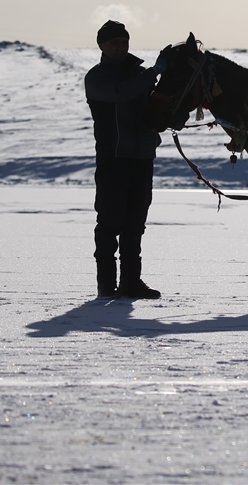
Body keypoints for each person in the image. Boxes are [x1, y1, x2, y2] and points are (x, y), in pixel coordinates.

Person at [85, 20, 168, 299]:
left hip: (142, 158)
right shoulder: (97, 77)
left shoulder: (140, 75)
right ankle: (106, 285)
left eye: (124, 42)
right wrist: (154, 72)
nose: (121, 47)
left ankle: (131, 282)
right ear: (102, 46)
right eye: (115, 43)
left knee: (135, 224)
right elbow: (120, 93)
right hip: (113, 160)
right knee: (109, 224)